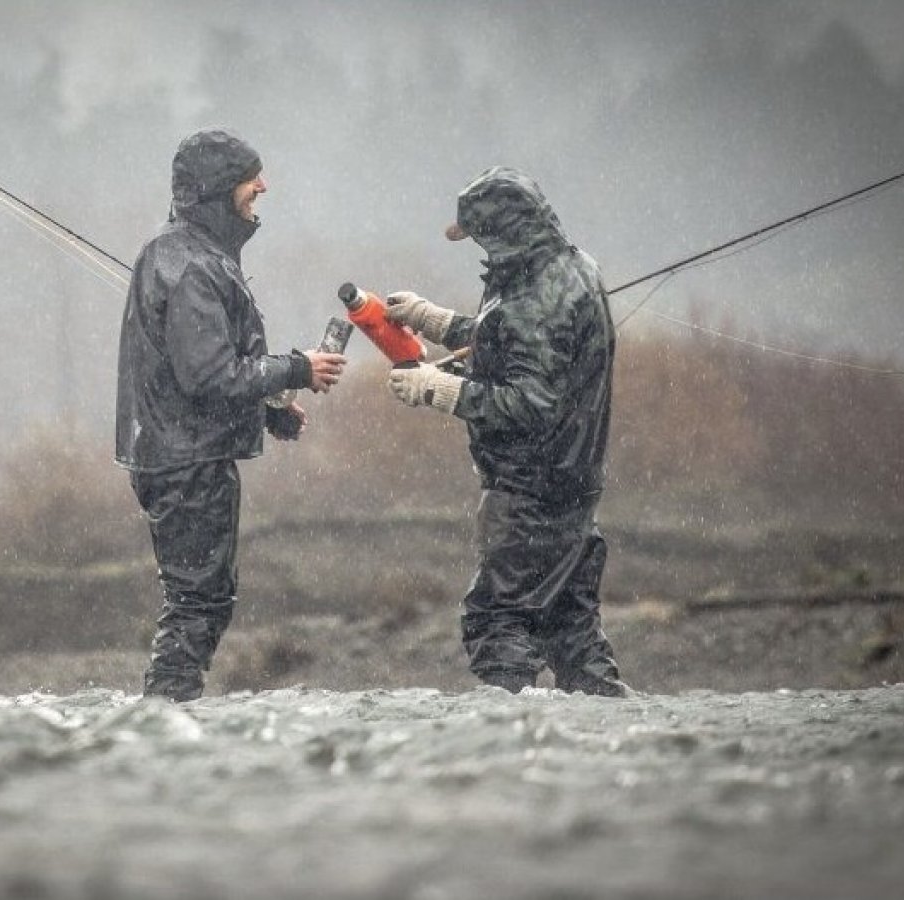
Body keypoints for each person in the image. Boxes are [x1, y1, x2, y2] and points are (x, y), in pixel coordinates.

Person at [116, 128, 346, 702]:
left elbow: (198, 375)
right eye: (251, 177)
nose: (262, 186)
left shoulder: (190, 255)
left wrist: (270, 413)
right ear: (219, 188)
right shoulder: (191, 266)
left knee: (203, 598)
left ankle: (169, 711)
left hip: (183, 454)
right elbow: (210, 377)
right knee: (199, 601)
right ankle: (166, 713)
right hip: (186, 463)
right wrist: (295, 370)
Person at [384, 166, 630, 697]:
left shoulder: (533, 294)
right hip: (573, 483)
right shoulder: (570, 268)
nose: (480, 251)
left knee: (496, 623)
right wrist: (436, 321)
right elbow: (515, 337)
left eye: (480, 238)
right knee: (574, 636)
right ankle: (611, 740)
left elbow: (531, 402)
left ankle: (510, 758)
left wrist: (439, 391)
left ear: (505, 234)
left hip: (531, 493)